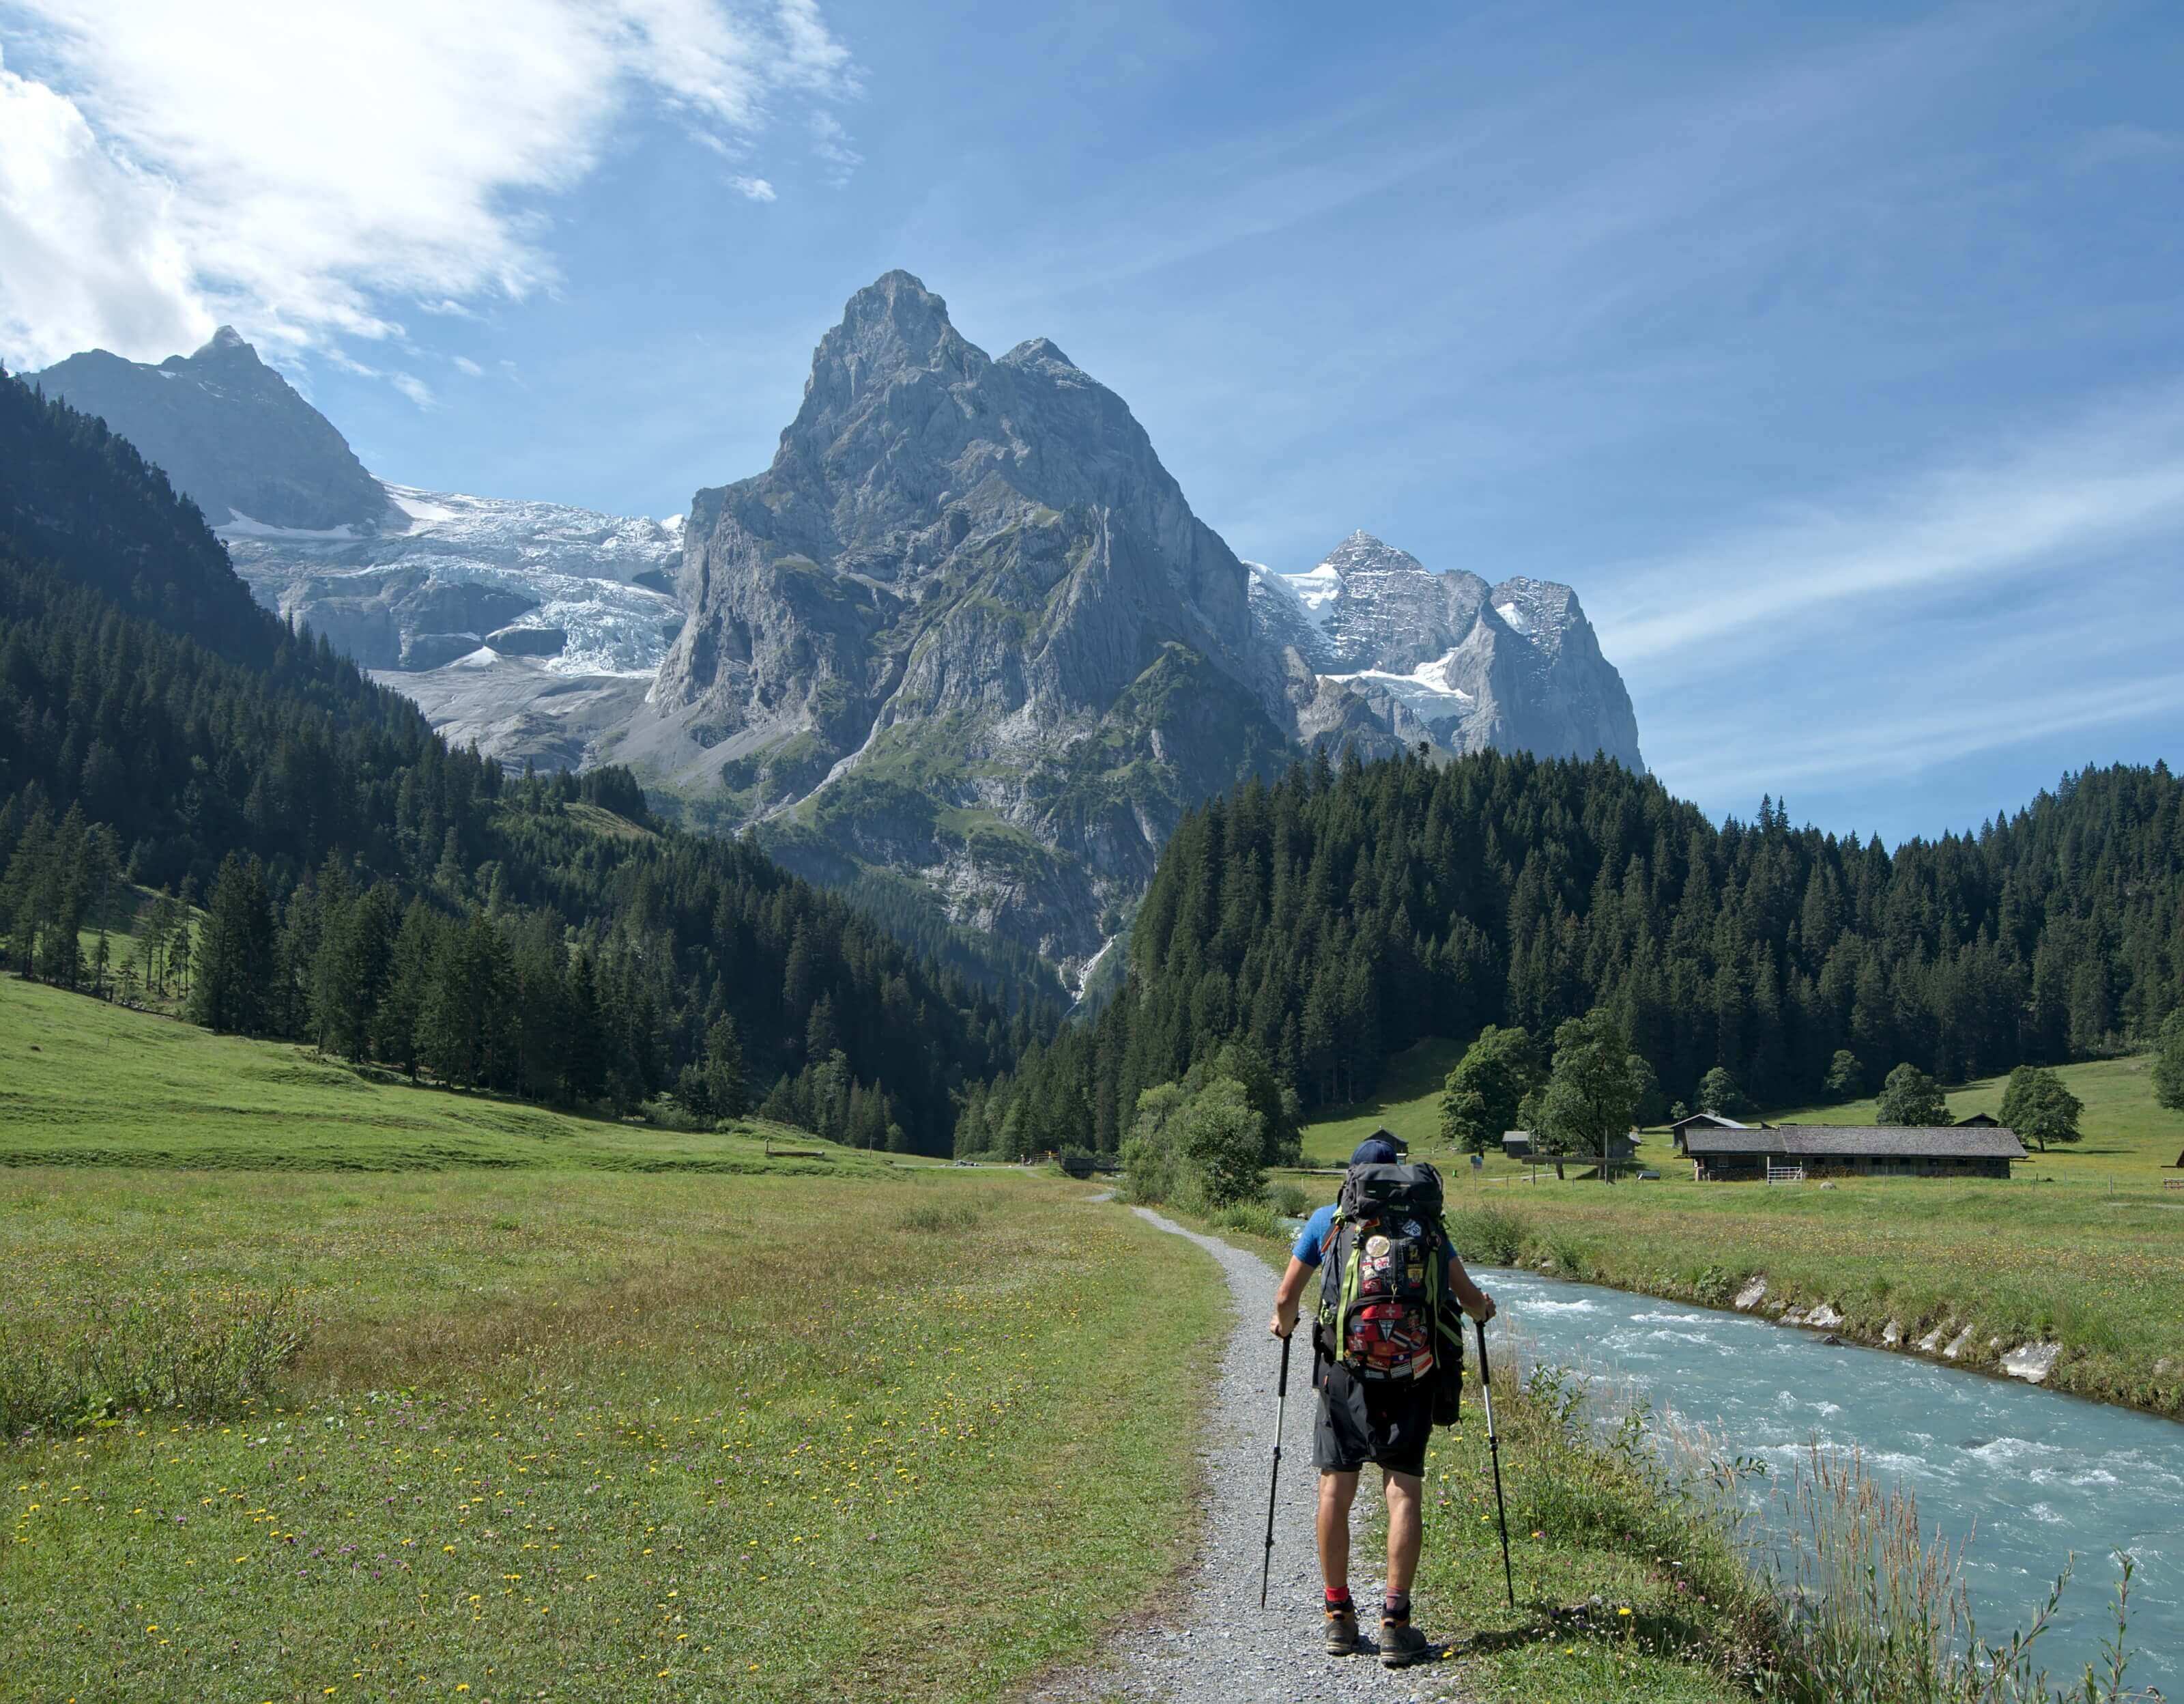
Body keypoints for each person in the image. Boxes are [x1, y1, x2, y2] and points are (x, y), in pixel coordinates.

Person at [1268, 1133, 1497, 1667]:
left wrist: (1283, 1328)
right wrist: (1483, 1311)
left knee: (1335, 1489)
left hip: (1343, 1375)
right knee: (1403, 1493)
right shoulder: (1427, 1226)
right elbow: (1467, 1301)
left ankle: (1338, 1618)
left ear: (1354, 1179)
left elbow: (1285, 1298)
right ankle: (1395, 1623)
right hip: (1411, 1373)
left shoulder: (1330, 1220)